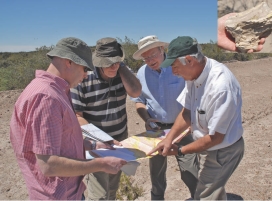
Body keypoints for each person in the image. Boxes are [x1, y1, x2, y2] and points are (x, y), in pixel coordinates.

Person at [9, 37, 127, 200]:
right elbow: (49, 165)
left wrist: (93, 144)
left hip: (69, 192)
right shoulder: (46, 98)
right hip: (58, 195)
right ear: (68, 62)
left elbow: (63, 142)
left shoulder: (55, 91)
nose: (86, 75)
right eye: (85, 68)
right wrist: (102, 164)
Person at [148, 36, 245, 200]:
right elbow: (187, 112)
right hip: (209, 144)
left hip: (224, 149)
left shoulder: (221, 87)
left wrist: (179, 150)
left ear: (189, 60)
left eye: (174, 66)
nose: (173, 72)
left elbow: (215, 138)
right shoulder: (193, 75)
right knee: (213, 190)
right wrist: (169, 138)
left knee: (204, 195)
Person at [71, 37, 142, 200]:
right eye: (109, 62)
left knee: (112, 189)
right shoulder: (84, 78)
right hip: (96, 145)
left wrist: (122, 66)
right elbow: (77, 116)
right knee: (99, 195)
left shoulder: (122, 72)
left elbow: (136, 92)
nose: (114, 65)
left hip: (119, 142)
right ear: (98, 61)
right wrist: (103, 139)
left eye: (117, 61)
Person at [131, 35, 199, 200]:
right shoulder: (141, 73)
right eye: (146, 57)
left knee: (191, 173)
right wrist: (146, 118)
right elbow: (139, 102)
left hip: (183, 129)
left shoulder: (178, 66)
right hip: (157, 132)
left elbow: (195, 95)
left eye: (153, 54)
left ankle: (199, 197)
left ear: (163, 50)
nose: (150, 60)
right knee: (156, 176)